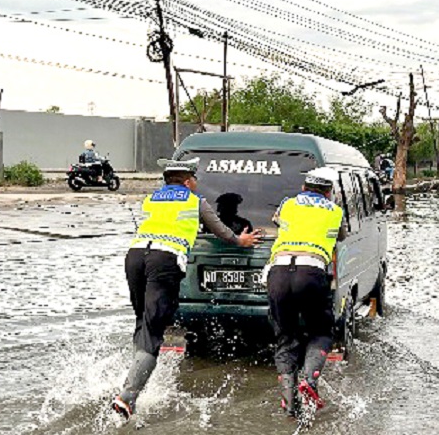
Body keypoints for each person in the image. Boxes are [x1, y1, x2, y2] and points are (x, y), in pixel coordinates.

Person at [111, 158, 263, 419]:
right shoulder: (195, 202)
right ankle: (127, 397)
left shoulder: (152, 199)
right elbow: (222, 231)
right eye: (195, 179)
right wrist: (241, 240)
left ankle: (133, 376)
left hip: (134, 257)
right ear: (187, 181)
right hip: (164, 259)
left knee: (142, 321)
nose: (196, 183)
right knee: (154, 328)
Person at [267, 167, 346, 417]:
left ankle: (289, 402)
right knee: (321, 331)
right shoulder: (335, 211)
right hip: (311, 272)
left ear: (303, 188)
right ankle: (309, 381)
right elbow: (341, 236)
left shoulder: (287, 204)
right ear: (328, 192)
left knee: (285, 336)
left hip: (278, 272)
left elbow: (276, 221)